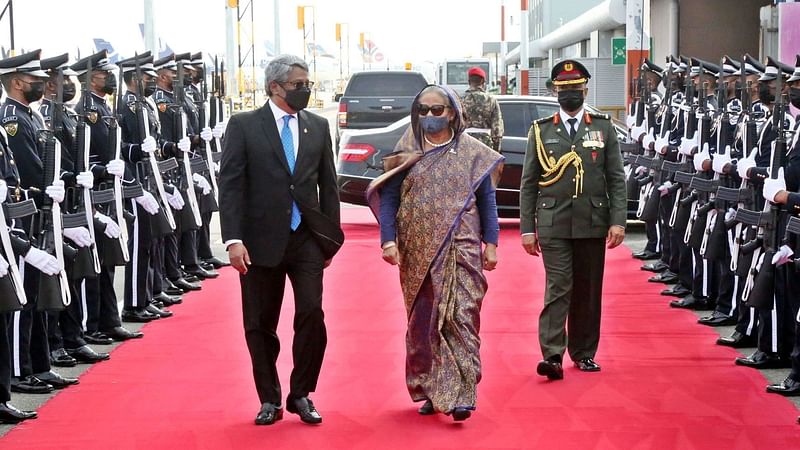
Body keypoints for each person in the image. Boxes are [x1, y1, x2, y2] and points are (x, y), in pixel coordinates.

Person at [366, 84, 503, 421]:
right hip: (418, 251)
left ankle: (462, 392)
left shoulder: (474, 153)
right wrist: (388, 240)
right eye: (422, 110)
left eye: (436, 110)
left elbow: (487, 201)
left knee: (462, 318)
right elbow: (390, 200)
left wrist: (492, 243)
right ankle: (431, 387)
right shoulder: (406, 152)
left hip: (462, 248)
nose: (428, 116)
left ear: (452, 113)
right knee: (425, 322)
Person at [219, 54, 341, 426]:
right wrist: (233, 239)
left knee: (311, 313)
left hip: (305, 237)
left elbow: (329, 187)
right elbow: (231, 185)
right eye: (298, 85)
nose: (305, 90)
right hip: (259, 241)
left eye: (308, 85)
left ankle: (301, 393)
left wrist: (329, 240)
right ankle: (268, 398)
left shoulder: (318, 127)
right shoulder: (244, 125)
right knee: (259, 322)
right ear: (275, 87)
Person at [520, 59, 626, 380]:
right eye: (563, 90)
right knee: (559, 286)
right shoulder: (541, 130)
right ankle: (552, 355)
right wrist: (527, 229)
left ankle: (583, 353)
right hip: (553, 221)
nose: (570, 95)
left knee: (588, 289)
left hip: (593, 221)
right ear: (555, 91)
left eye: (575, 89)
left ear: (585, 89)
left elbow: (616, 178)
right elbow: (529, 183)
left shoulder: (602, 127)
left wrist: (618, 221)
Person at [461, 66, 504, 153]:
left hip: (464, 144)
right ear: (483, 82)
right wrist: (496, 151)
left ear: (469, 81)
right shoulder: (491, 100)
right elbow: (497, 129)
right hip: (485, 145)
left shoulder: (460, 100)